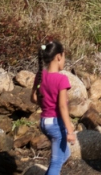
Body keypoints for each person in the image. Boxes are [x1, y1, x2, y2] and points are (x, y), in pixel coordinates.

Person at [30, 40, 77, 175]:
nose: (64, 61)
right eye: (64, 57)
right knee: (56, 162)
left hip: (44, 123)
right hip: (56, 124)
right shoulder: (61, 79)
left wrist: (46, 104)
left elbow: (33, 98)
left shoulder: (40, 75)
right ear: (58, 57)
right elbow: (62, 107)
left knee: (64, 154)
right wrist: (70, 131)